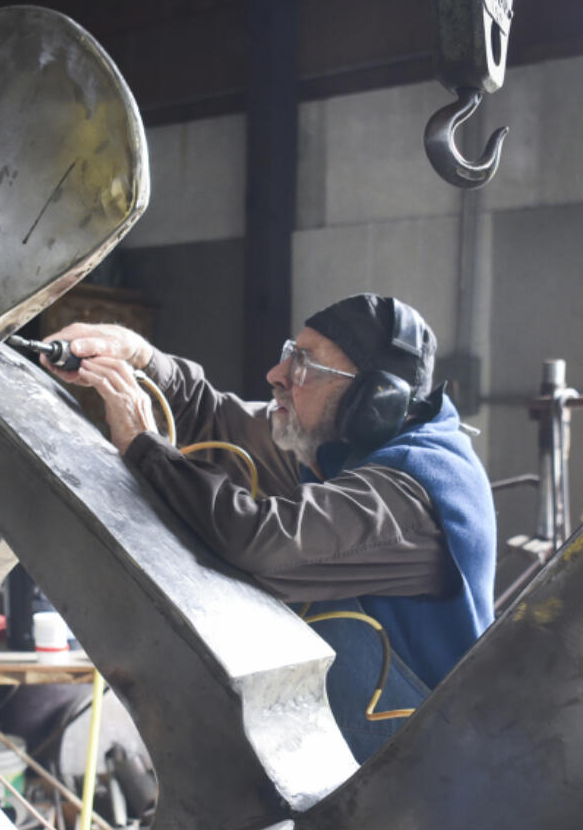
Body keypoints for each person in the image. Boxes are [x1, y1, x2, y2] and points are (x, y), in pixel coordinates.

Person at [43, 292, 496, 763]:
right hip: (352, 767)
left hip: (427, 779)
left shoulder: (413, 494)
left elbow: (259, 541)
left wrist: (144, 444)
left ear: (373, 402)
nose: (276, 375)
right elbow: (216, 420)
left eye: (304, 365)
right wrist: (140, 356)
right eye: (289, 354)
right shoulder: (338, 447)